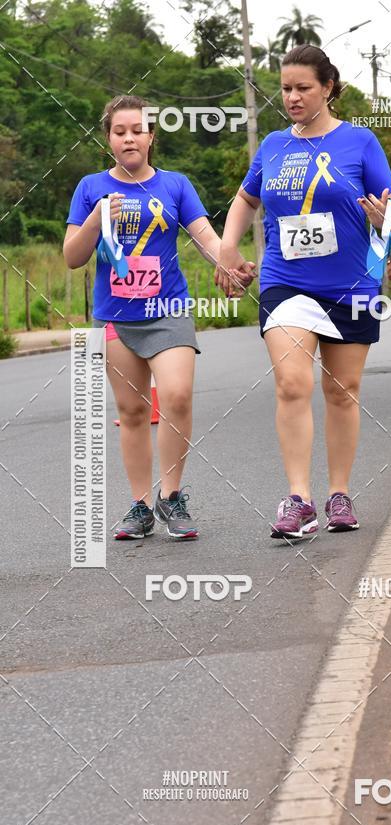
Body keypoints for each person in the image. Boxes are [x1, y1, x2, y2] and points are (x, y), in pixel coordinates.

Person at [216, 44, 391, 539]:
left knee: (342, 392)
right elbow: (244, 198)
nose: (292, 97)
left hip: (351, 283)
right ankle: (298, 500)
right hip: (286, 282)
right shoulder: (274, 145)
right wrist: (227, 247)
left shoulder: (360, 142)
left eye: (303, 88)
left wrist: (389, 219)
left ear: (328, 87)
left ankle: (338, 493)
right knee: (292, 383)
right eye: (285, 88)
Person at [64, 95, 254, 540]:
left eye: (137, 130)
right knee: (132, 411)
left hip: (168, 309)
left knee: (177, 395)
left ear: (151, 136)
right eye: (119, 131)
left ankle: (171, 496)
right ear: (108, 138)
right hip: (114, 316)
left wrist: (229, 264)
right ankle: (140, 506)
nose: (128, 138)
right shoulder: (91, 187)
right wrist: (95, 219)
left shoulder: (175, 185)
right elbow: (73, 257)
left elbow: (206, 236)